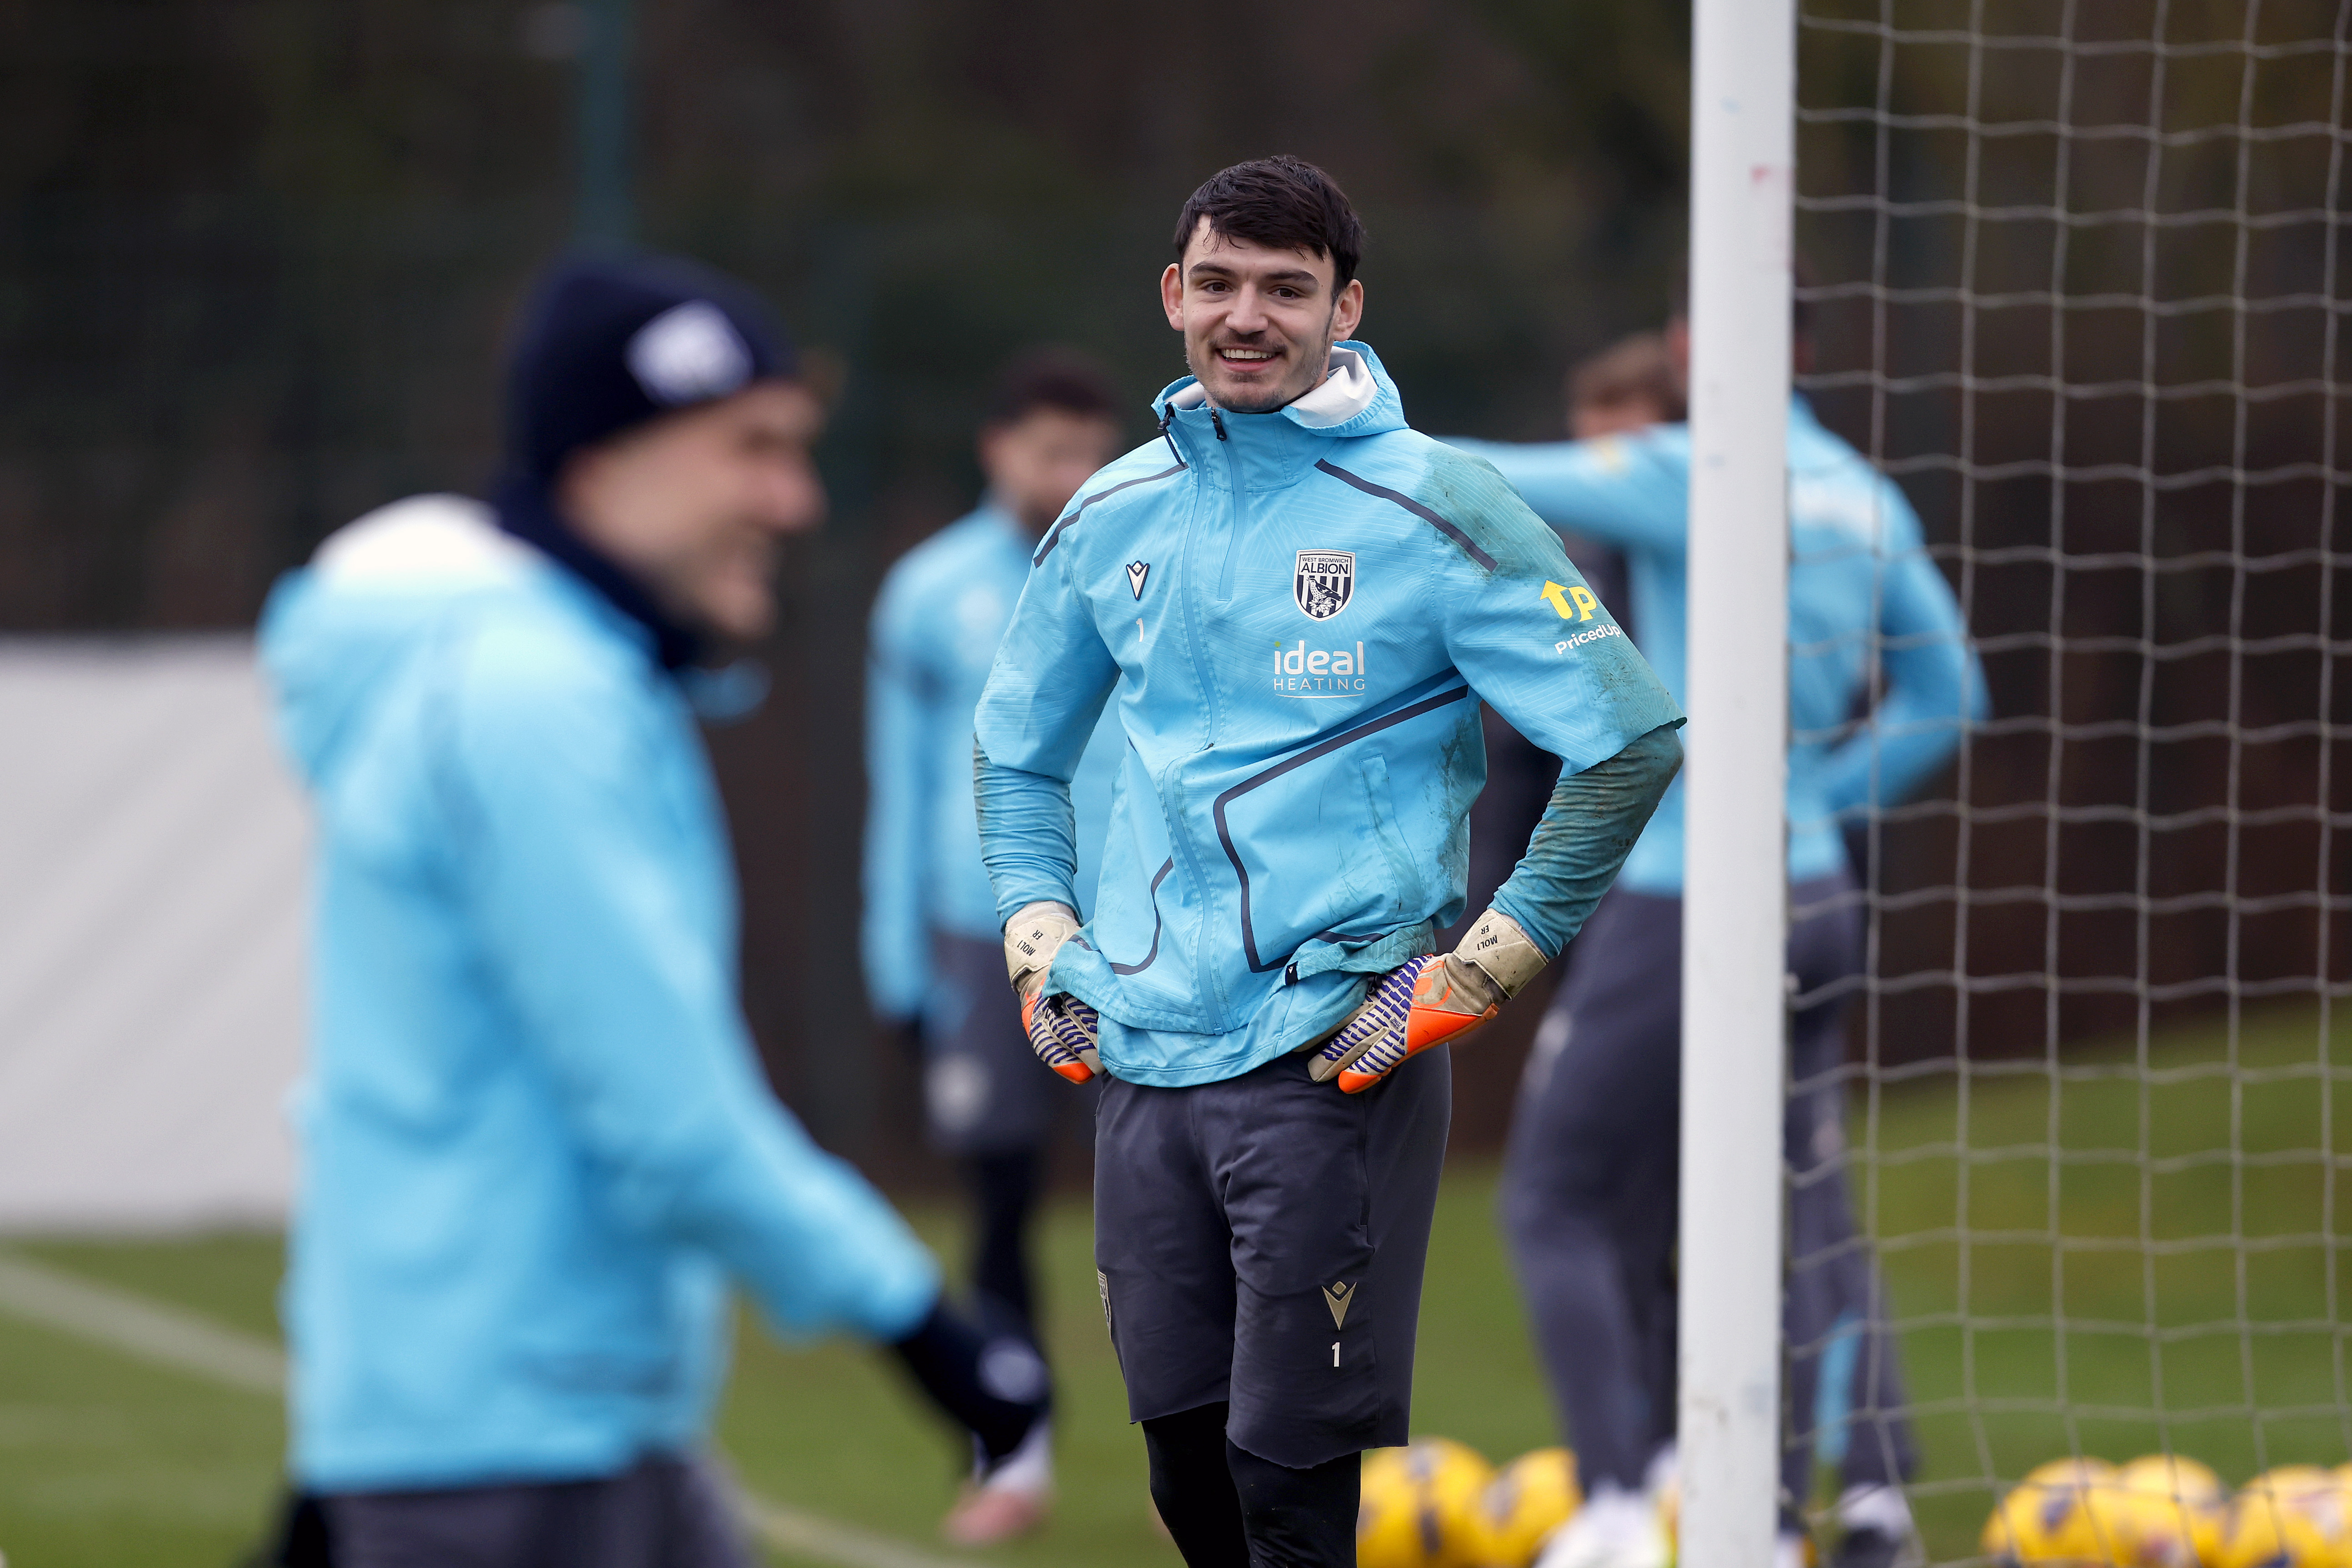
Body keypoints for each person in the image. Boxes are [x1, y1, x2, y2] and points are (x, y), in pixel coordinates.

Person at [258, 253, 1053, 1567]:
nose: (794, 500)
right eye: (750, 448)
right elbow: (669, 1114)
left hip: (529, 1427)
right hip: (517, 1456)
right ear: (600, 465)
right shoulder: (537, 701)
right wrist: (932, 1332)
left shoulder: (554, 680)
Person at [972, 155, 1686, 1568]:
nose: (1251, 315)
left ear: (1344, 307)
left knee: (1286, 1480)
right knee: (1185, 1465)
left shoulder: (1441, 507)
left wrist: (1484, 967)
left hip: (1327, 1054)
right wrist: (1038, 935)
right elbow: (1016, 753)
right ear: (1174, 294)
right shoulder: (1112, 510)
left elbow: (1634, 737)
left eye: (1288, 289)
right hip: (1136, 1050)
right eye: (1222, 283)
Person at [1450, 295, 1986, 1568]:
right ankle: (1842, 1506)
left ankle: (1623, 1506)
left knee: (1555, 1195)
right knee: (1800, 1201)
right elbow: (1950, 691)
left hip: (1691, 896)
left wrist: (1337, 415)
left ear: (1721, 353)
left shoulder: (1701, 468)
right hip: (1818, 893)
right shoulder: (1866, 495)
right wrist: (1820, 794)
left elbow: (1474, 477)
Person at [860, 348, 1127, 1538]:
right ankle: (1010, 1452)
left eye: (1087, 451)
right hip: (980, 936)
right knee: (1001, 1203)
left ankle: (1215, 1457)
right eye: (1048, 450)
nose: (1068, 473)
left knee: (1172, 1201)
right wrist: (892, 948)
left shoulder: (1145, 560)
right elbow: (900, 776)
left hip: (1137, 926)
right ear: (997, 450)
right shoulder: (925, 594)